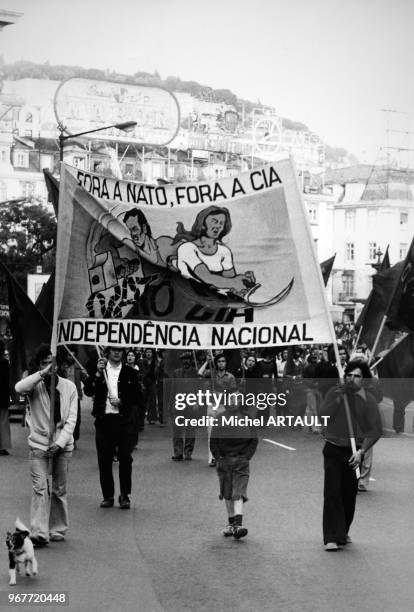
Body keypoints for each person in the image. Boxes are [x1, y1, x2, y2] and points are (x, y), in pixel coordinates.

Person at [15, 344, 78, 546]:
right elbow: (18, 388)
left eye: (52, 362)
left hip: (62, 446)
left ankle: (58, 529)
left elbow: (71, 420)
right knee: (40, 488)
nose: (49, 366)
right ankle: (39, 532)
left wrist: (59, 443)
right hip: (39, 445)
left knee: (59, 489)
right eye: (44, 362)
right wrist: (42, 373)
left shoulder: (69, 387)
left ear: (59, 364)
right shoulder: (35, 385)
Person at [320, 359, 382, 551]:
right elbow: (322, 415)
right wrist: (338, 399)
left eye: (357, 376)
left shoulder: (368, 400)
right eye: (350, 375)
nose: (352, 379)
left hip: (354, 453)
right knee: (332, 493)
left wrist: (362, 451)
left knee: (348, 495)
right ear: (344, 375)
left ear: (363, 380)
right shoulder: (335, 392)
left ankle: (343, 531)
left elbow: (376, 429)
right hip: (333, 448)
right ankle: (331, 536)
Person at [83, 346, 142, 509]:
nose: (117, 353)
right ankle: (107, 495)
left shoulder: (130, 373)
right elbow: (88, 391)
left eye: (120, 350)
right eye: (114, 350)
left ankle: (124, 495)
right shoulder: (101, 370)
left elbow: (138, 396)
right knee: (104, 459)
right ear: (107, 353)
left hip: (123, 422)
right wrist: (96, 374)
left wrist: (122, 402)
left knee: (125, 458)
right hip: (104, 421)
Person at [172, 206, 256, 297]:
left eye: (221, 223)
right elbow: (206, 277)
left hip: (217, 301)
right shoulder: (187, 248)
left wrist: (242, 280)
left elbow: (229, 280)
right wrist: (234, 283)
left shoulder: (224, 251)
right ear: (203, 224)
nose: (218, 226)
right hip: (190, 298)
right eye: (214, 221)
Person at [210, 397, 258, 539]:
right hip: (225, 460)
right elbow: (213, 440)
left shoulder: (247, 418)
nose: (232, 402)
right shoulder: (220, 418)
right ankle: (232, 524)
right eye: (230, 400)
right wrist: (218, 457)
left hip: (240, 461)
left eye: (235, 400)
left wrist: (246, 457)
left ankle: (237, 524)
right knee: (227, 493)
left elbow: (254, 439)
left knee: (238, 491)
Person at [199, 353, 237, 466]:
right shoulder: (211, 373)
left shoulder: (230, 377)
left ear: (226, 363)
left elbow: (233, 393)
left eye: (223, 361)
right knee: (211, 434)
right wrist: (207, 361)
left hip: (223, 407)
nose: (221, 363)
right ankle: (212, 459)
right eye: (219, 361)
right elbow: (200, 373)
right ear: (216, 363)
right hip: (211, 406)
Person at [169, 351, 199, 461]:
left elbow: (199, 389)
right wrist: (171, 405)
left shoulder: (196, 373)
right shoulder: (176, 373)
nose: (185, 361)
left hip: (191, 405)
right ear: (181, 361)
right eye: (183, 359)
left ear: (191, 360)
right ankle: (178, 452)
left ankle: (188, 452)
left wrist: (197, 402)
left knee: (190, 430)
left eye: (187, 359)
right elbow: (173, 390)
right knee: (177, 430)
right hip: (178, 405)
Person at [0, 340, 12, 455]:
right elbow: (8, 380)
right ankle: (2, 446)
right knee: (3, 422)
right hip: (2, 396)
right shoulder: (4, 363)